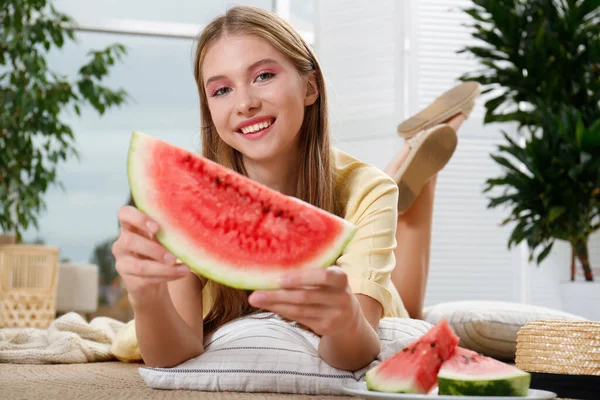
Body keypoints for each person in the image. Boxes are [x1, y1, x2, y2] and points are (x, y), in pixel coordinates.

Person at [111, 5, 478, 372]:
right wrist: (145, 295)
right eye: (221, 90)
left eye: (263, 76)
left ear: (310, 86)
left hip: (371, 264)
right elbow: (172, 354)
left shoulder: (368, 189)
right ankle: (410, 155)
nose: (245, 103)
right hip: (357, 193)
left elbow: (355, 351)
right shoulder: (190, 201)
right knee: (381, 198)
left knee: (409, 310)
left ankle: (421, 171)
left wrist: (347, 321)